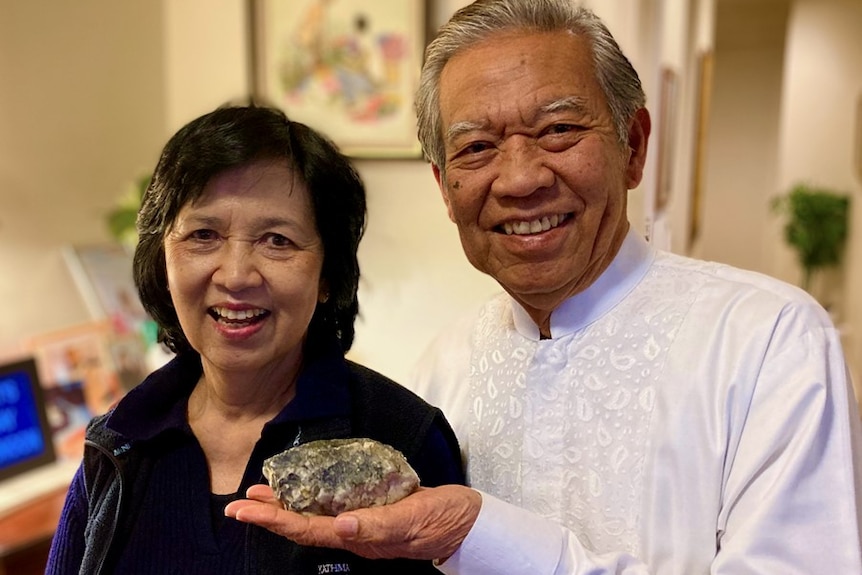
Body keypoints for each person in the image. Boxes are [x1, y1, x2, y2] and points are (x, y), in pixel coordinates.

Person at [226, 1, 862, 573]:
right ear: (446, 187)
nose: (521, 179)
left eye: (559, 130)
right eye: (476, 147)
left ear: (634, 147)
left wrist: (476, 534)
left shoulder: (769, 342)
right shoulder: (442, 368)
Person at [45, 104, 465, 575]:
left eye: (277, 240)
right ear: (162, 259)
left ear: (328, 274)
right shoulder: (119, 443)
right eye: (203, 234)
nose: (237, 275)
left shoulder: (404, 438)